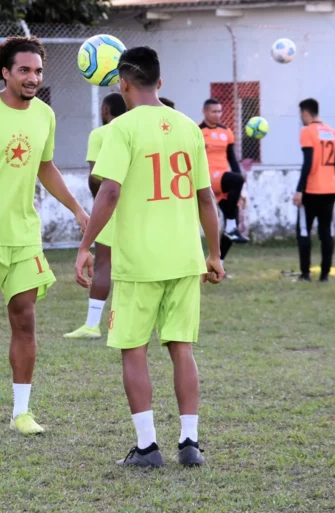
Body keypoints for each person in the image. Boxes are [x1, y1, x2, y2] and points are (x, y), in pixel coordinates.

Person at [75, 46, 224, 467]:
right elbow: (205, 198)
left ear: (121, 85)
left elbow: (109, 190)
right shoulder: (188, 128)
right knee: (181, 349)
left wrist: (85, 246)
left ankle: (146, 448)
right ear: (160, 82)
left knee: (134, 350)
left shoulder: (121, 128)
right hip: (184, 258)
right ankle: (190, 443)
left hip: (139, 261)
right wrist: (213, 254)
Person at [0, 36, 89, 437]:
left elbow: (46, 167)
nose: (33, 78)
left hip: (24, 235)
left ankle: (21, 412)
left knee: (25, 321)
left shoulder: (45, 115)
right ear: (5, 72)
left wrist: (77, 209)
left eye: (38, 71)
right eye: (24, 70)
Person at [65, 92, 126, 339]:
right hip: (141, 209)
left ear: (104, 110)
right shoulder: (135, 130)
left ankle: (92, 325)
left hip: (111, 207)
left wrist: (98, 203)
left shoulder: (100, 134)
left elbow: (94, 177)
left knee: (103, 264)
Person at [199, 98, 249, 274]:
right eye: (214, 111)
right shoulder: (198, 131)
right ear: (205, 112)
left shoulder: (226, 132)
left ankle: (216, 264)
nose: (217, 115)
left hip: (224, 180)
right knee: (237, 180)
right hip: (208, 179)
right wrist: (239, 180)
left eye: (220, 111)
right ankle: (231, 224)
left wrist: (241, 186)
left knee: (231, 226)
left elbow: (233, 160)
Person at [293, 98, 335, 282]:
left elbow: (308, 163)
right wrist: (330, 180)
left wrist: (299, 189)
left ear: (305, 112)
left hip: (311, 190)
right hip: (330, 189)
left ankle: (305, 274)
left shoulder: (307, 132)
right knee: (326, 232)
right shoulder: (333, 133)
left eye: (301, 114)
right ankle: (325, 275)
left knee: (304, 231)